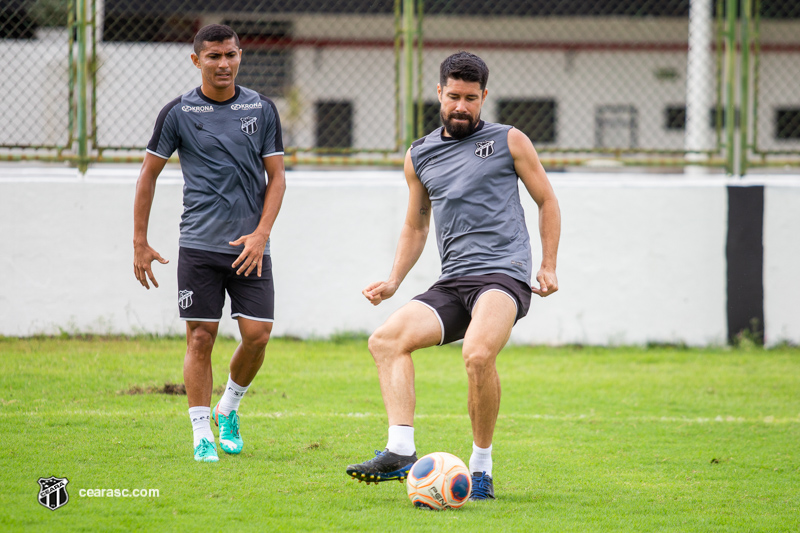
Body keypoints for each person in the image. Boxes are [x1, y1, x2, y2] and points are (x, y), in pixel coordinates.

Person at [345, 51, 560, 500]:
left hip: (504, 276)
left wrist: (547, 264)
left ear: (484, 97)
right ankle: (400, 450)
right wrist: (393, 280)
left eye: (470, 98)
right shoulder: (419, 154)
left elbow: (547, 201)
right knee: (385, 340)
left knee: (478, 356)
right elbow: (416, 224)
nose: (461, 105)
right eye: (453, 96)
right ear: (439, 92)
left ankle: (481, 468)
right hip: (454, 280)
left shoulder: (510, 141)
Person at [133, 24, 286, 463]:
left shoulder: (262, 108)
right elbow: (148, 174)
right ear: (196, 60)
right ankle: (202, 432)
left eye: (231, 55)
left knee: (257, 336)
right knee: (200, 337)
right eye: (214, 56)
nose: (224, 64)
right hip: (199, 245)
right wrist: (140, 241)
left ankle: (229, 408)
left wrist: (261, 234)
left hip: (250, 247)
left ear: (240, 56)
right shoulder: (177, 112)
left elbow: (277, 179)